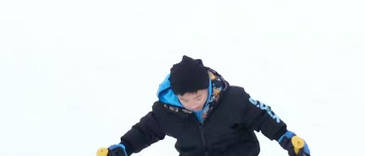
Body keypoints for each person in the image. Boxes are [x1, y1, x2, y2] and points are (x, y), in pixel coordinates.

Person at [97, 56, 311, 156]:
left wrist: (286, 137)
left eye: (197, 97)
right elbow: (145, 131)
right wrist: (124, 147)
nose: (192, 105)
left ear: (208, 88)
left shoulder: (234, 99)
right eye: (185, 100)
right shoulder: (167, 111)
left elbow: (262, 116)